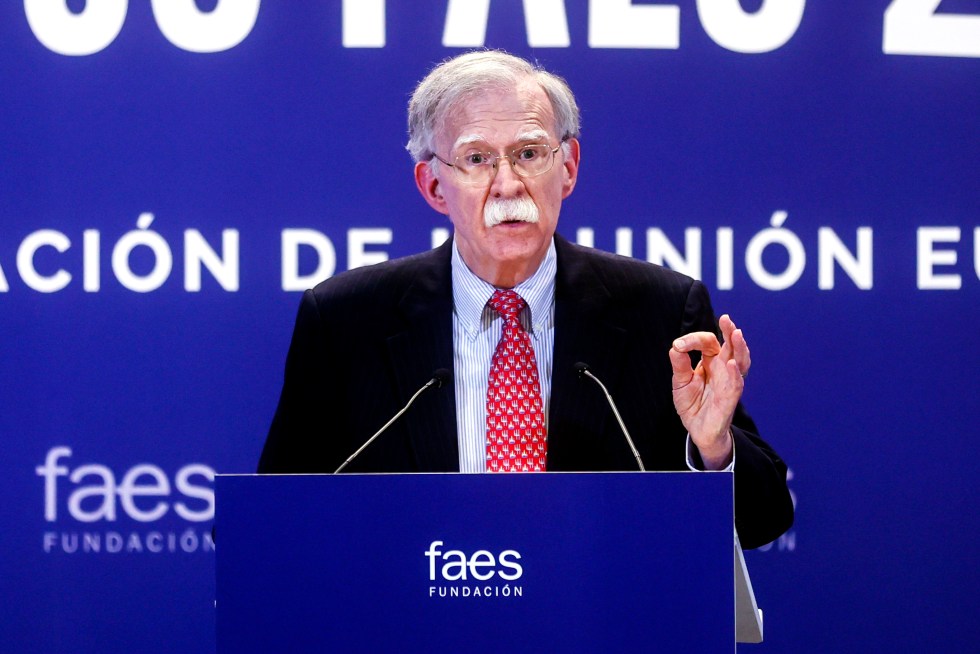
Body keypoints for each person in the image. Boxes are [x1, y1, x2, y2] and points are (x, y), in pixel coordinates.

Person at [258, 50, 793, 549]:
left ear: (568, 167)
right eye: (477, 158)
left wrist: (714, 448)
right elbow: (267, 530)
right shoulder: (347, 321)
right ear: (434, 186)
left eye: (529, 153)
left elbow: (764, 520)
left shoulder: (660, 311)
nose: (508, 183)